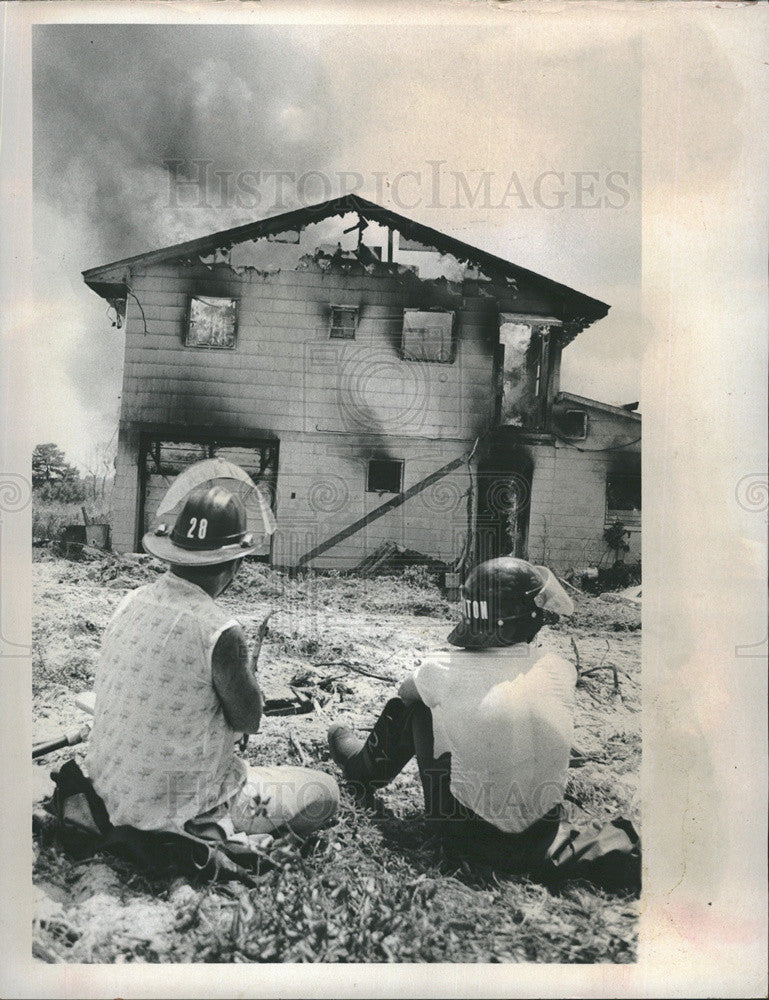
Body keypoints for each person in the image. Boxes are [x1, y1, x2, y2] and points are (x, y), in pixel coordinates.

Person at [327, 557, 640, 892]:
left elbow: (404, 692)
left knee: (417, 708)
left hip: (473, 841)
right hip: (543, 835)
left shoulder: (442, 668)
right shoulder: (560, 668)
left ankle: (362, 767)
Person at [85, 485, 339, 849]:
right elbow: (249, 719)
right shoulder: (220, 630)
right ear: (236, 565)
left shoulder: (130, 601)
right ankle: (226, 836)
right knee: (324, 792)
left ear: (174, 551)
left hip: (110, 793)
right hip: (176, 807)